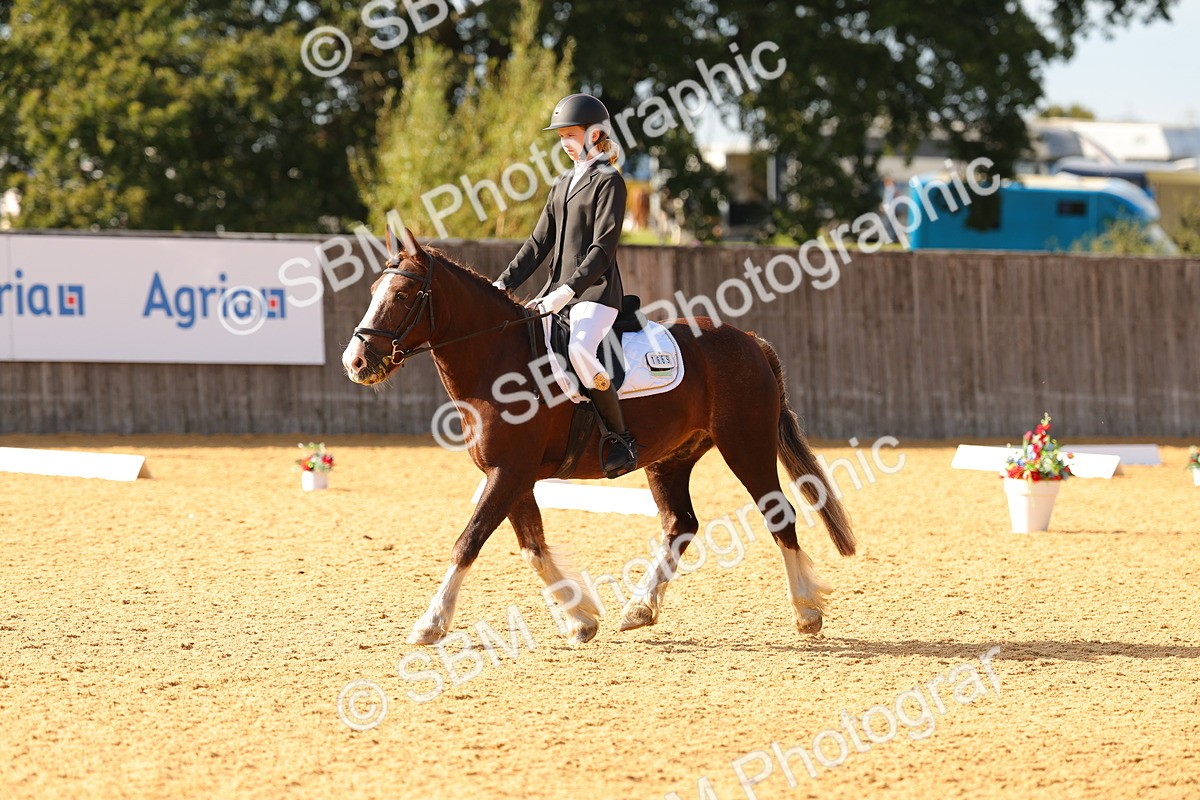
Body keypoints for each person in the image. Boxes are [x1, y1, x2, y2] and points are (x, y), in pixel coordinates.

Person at [492, 93, 637, 478]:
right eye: (560, 137)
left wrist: (569, 290)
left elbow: (602, 250)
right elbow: (538, 244)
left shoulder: (609, 181)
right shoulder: (561, 184)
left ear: (594, 135)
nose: (564, 143)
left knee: (580, 349)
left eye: (570, 135)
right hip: (556, 293)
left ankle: (621, 438)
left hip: (595, 295)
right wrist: (502, 283)